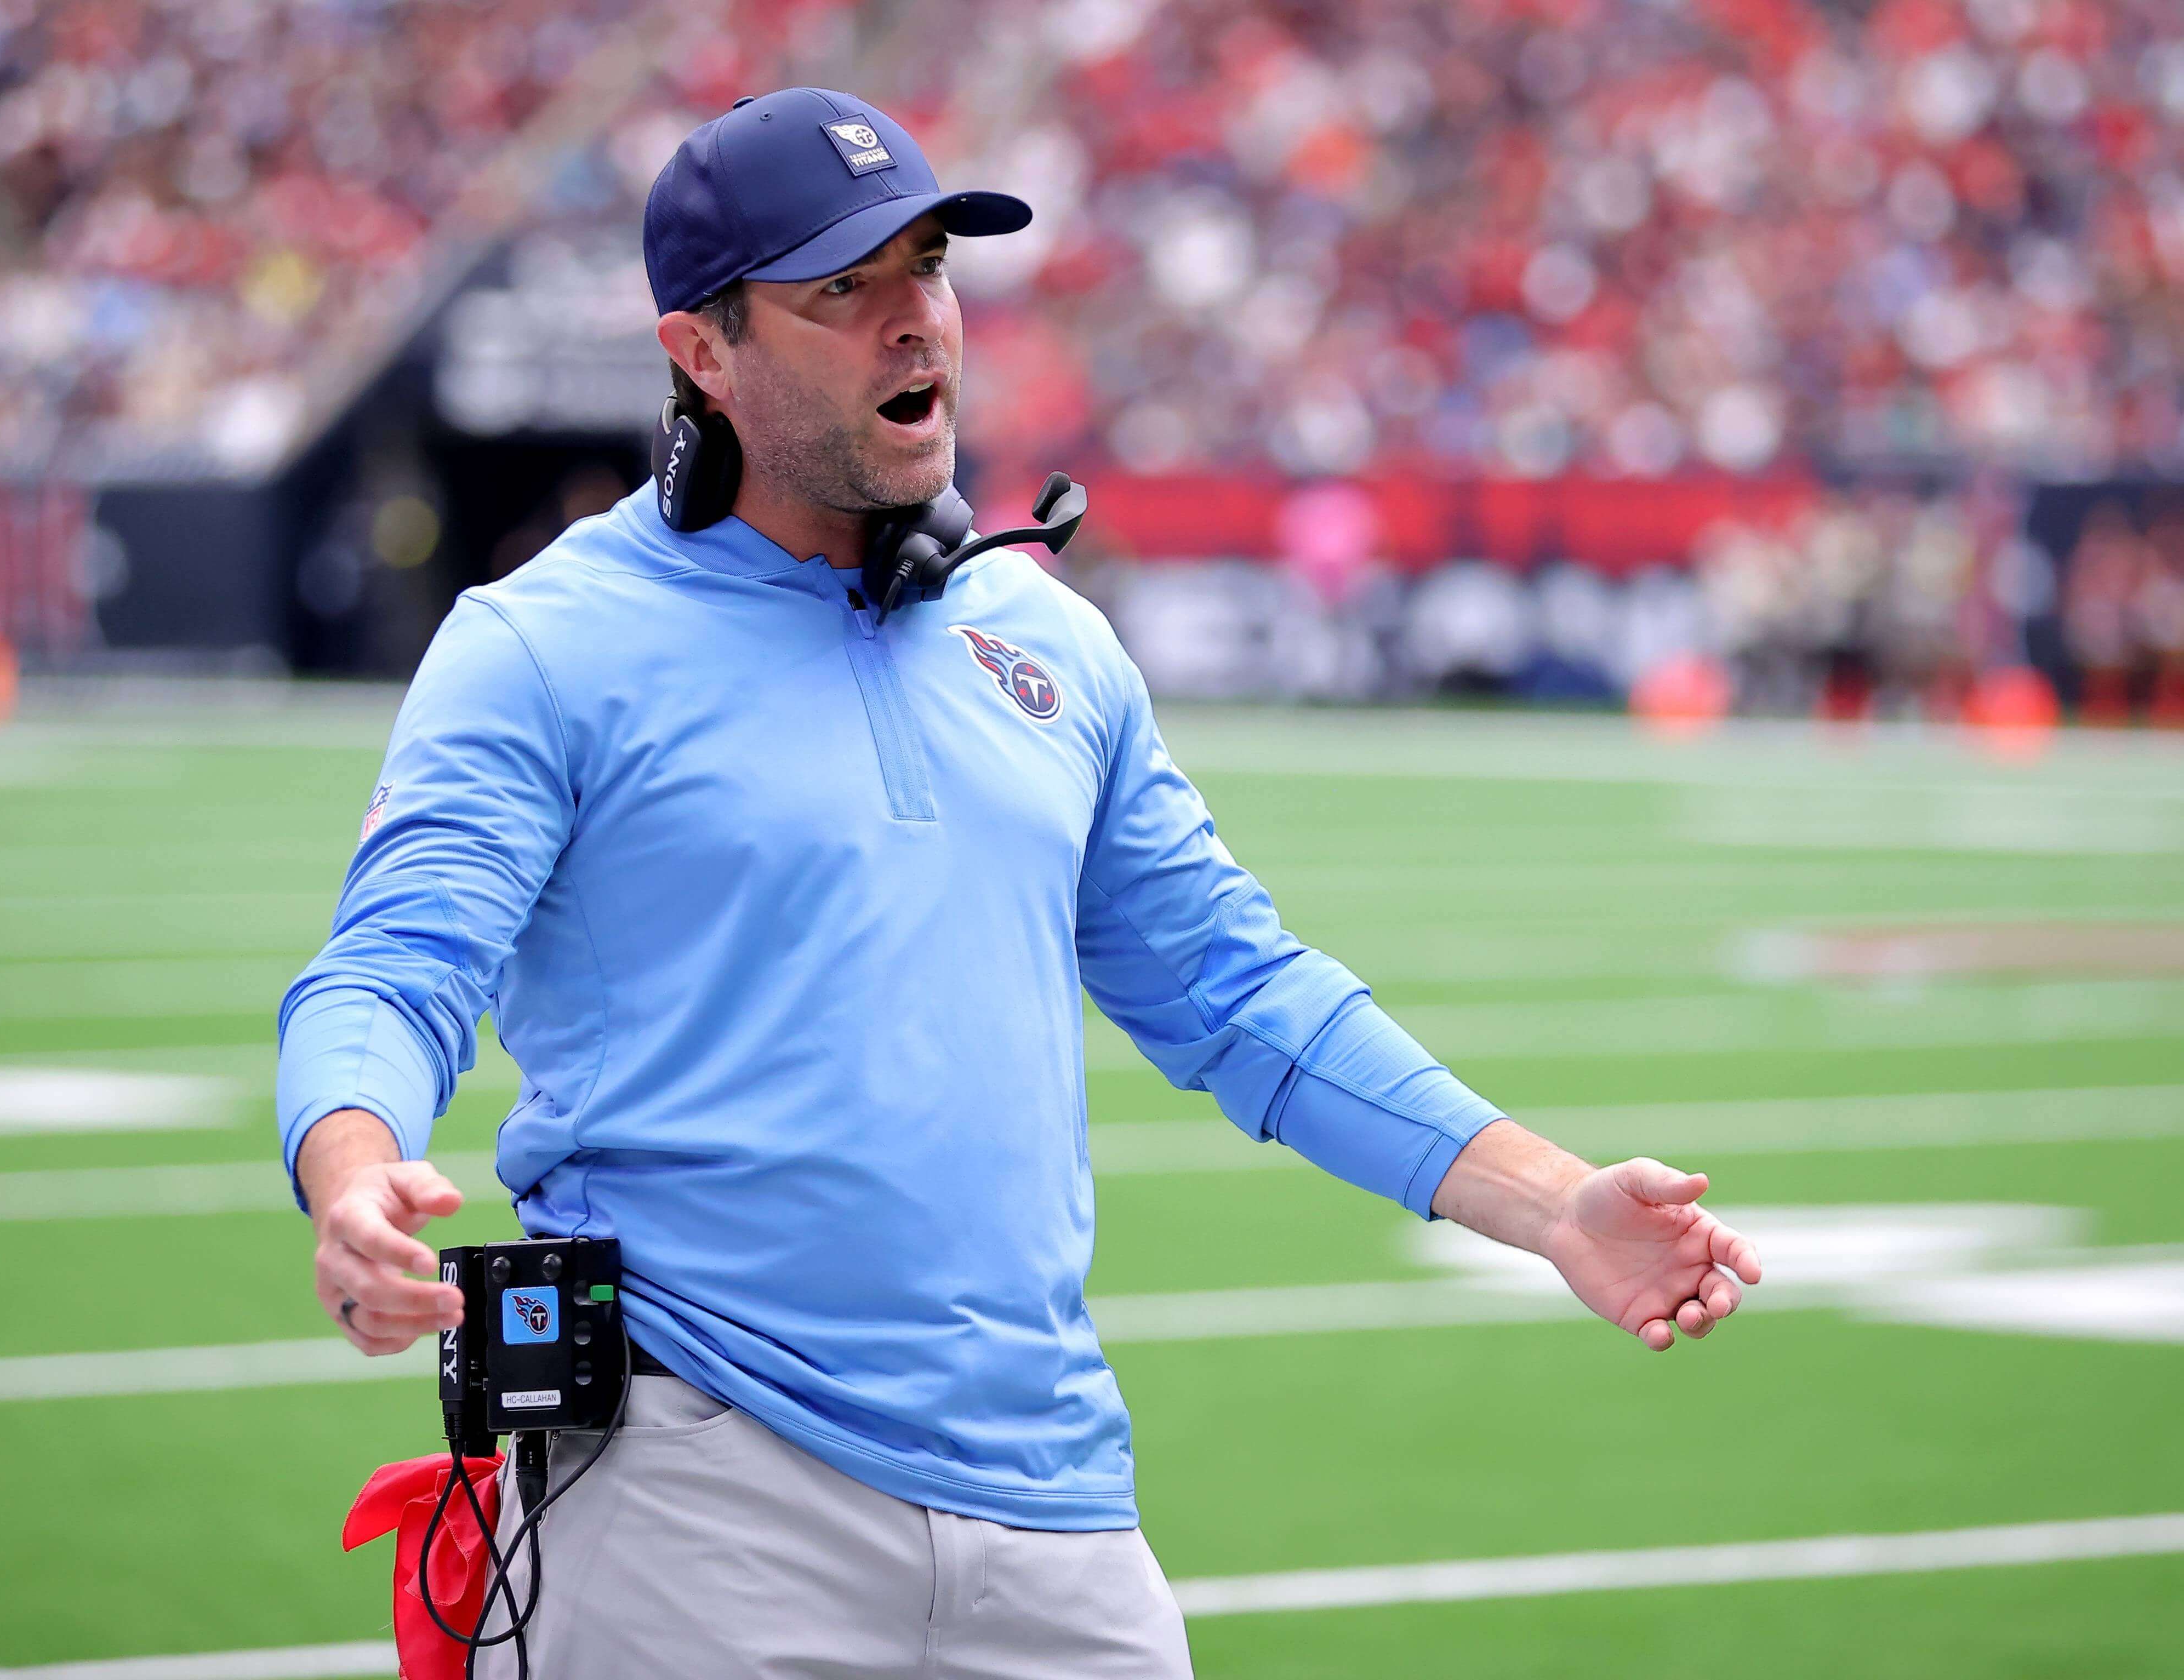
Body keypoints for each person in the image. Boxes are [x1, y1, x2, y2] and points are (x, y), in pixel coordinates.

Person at [276, 87, 1763, 1679]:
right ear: (702, 353)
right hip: (697, 1492)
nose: (913, 321)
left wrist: (1553, 1208)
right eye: (842, 289)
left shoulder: (1047, 641)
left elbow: (1242, 994)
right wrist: (354, 1165)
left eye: (928, 267)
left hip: (1055, 1500)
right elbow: (393, 964)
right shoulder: (542, 644)